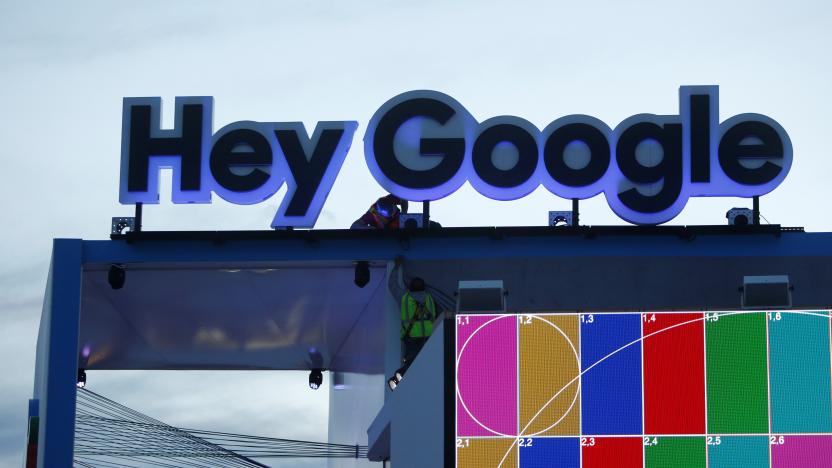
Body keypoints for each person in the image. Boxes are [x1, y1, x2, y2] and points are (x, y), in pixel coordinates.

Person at [387, 256, 437, 390]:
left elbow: (392, 284)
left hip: (411, 338)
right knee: (425, 364)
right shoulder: (430, 298)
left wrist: (396, 267)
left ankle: (400, 377)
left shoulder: (404, 297)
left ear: (410, 287)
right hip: (429, 338)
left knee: (413, 362)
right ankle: (403, 378)